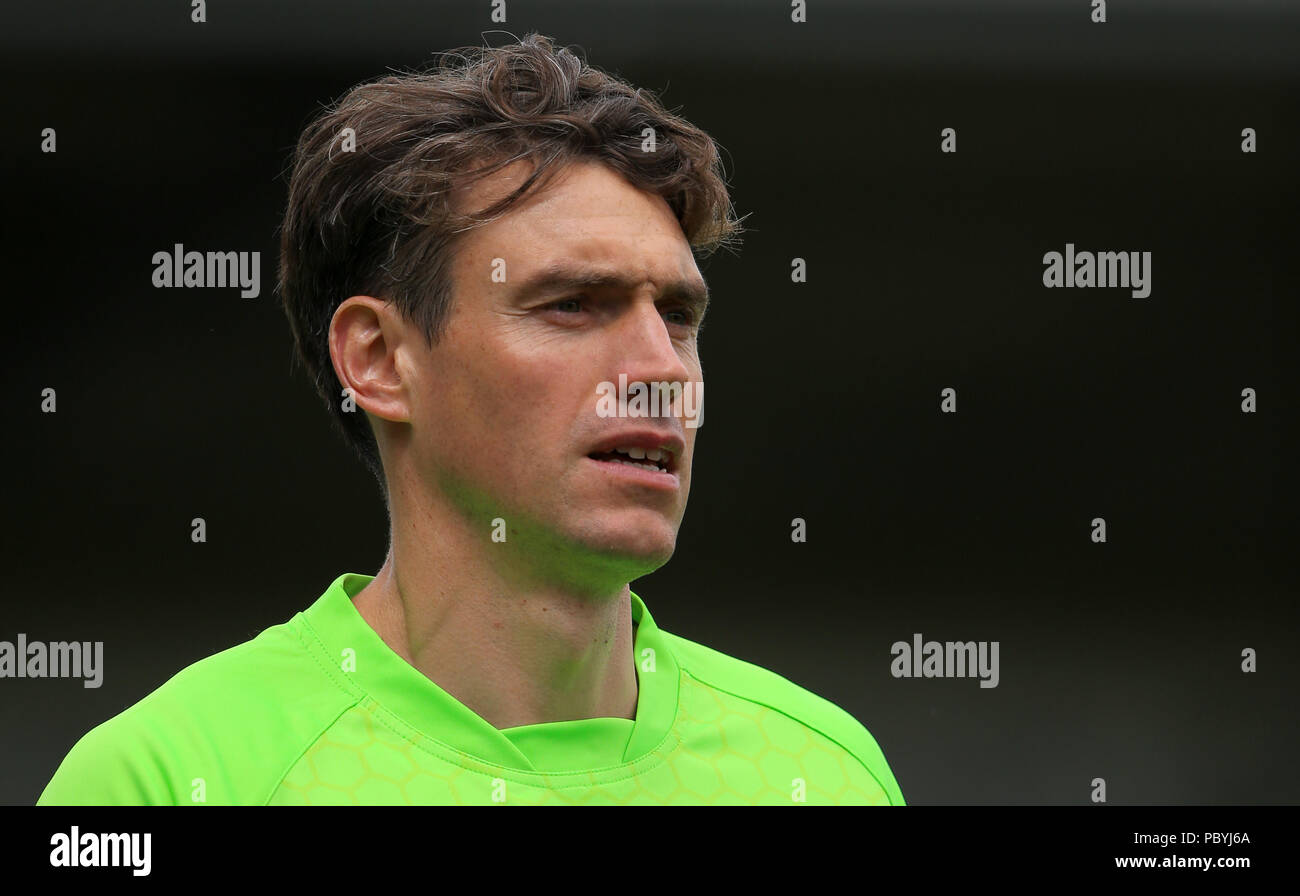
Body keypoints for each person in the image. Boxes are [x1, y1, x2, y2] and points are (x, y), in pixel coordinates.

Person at [38, 33, 904, 805]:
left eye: (677, 316)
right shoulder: (167, 780)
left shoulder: (825, 775)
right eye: (571, 304)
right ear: (378, 361)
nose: (661, 373)